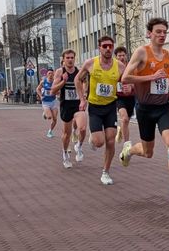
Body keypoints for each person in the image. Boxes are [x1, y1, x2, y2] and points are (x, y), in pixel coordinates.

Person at [119, 18, 169, 208]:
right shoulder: (142, 52)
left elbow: (165, 79)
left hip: (163, 107)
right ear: (150, 33)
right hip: (145, 108)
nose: (162, 35)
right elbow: (125, 78)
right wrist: (151, 77)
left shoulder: (168, 55)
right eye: (158, 32)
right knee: (148, 152)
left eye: (164, 32)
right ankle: (129, 150)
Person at [75, 36, 125, 185]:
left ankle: (106, 172)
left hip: (110, 106)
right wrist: (82, 99)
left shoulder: (120, 66)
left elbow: (127, 80)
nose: (108, 49)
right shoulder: (90, 63)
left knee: (111, 140)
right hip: (95, 107)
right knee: (99, 143)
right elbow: (78, 79)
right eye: (105, 46)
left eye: (110, 46)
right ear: (99, 48)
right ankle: (93, 138)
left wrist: (128, 87)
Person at [50, 49, 87, 169]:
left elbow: (84, 84)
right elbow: (52, 91)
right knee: (67, 134)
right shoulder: (60, 72)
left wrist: (84, 96)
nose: (70, 60)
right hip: (66, 105)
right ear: (63, 59)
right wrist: (63, 81)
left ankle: (79, 147)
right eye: (68, 58)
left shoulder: (79, 71)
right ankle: (65, 154)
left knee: (82, 128)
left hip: (77, 105)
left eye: (72, 57)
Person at [114, 46, 136, 148]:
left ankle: (121, 130)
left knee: (126, 121)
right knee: (125, 119)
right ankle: (126, 145)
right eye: (119, 56)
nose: (122, 57)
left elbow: (138, 81)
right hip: (119, 98)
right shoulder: (113, 68)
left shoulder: (131, 68)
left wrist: (131, 86)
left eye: (123, 55)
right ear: (116, 57)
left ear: (126, 56)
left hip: (131, 97)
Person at [36, 69, 58, 138]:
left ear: (53, 74)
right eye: (49, 73)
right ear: (47, 74)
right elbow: (37, 89)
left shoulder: (55, 82)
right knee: (49, 117)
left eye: (52, 73)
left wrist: (57, 93)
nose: (50, 75)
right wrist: (41, 96)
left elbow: (58, 91)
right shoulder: (43, 82)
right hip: (46, 102)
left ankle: (50, 131)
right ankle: (45, 113)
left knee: (55, 119)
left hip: (53, 101)